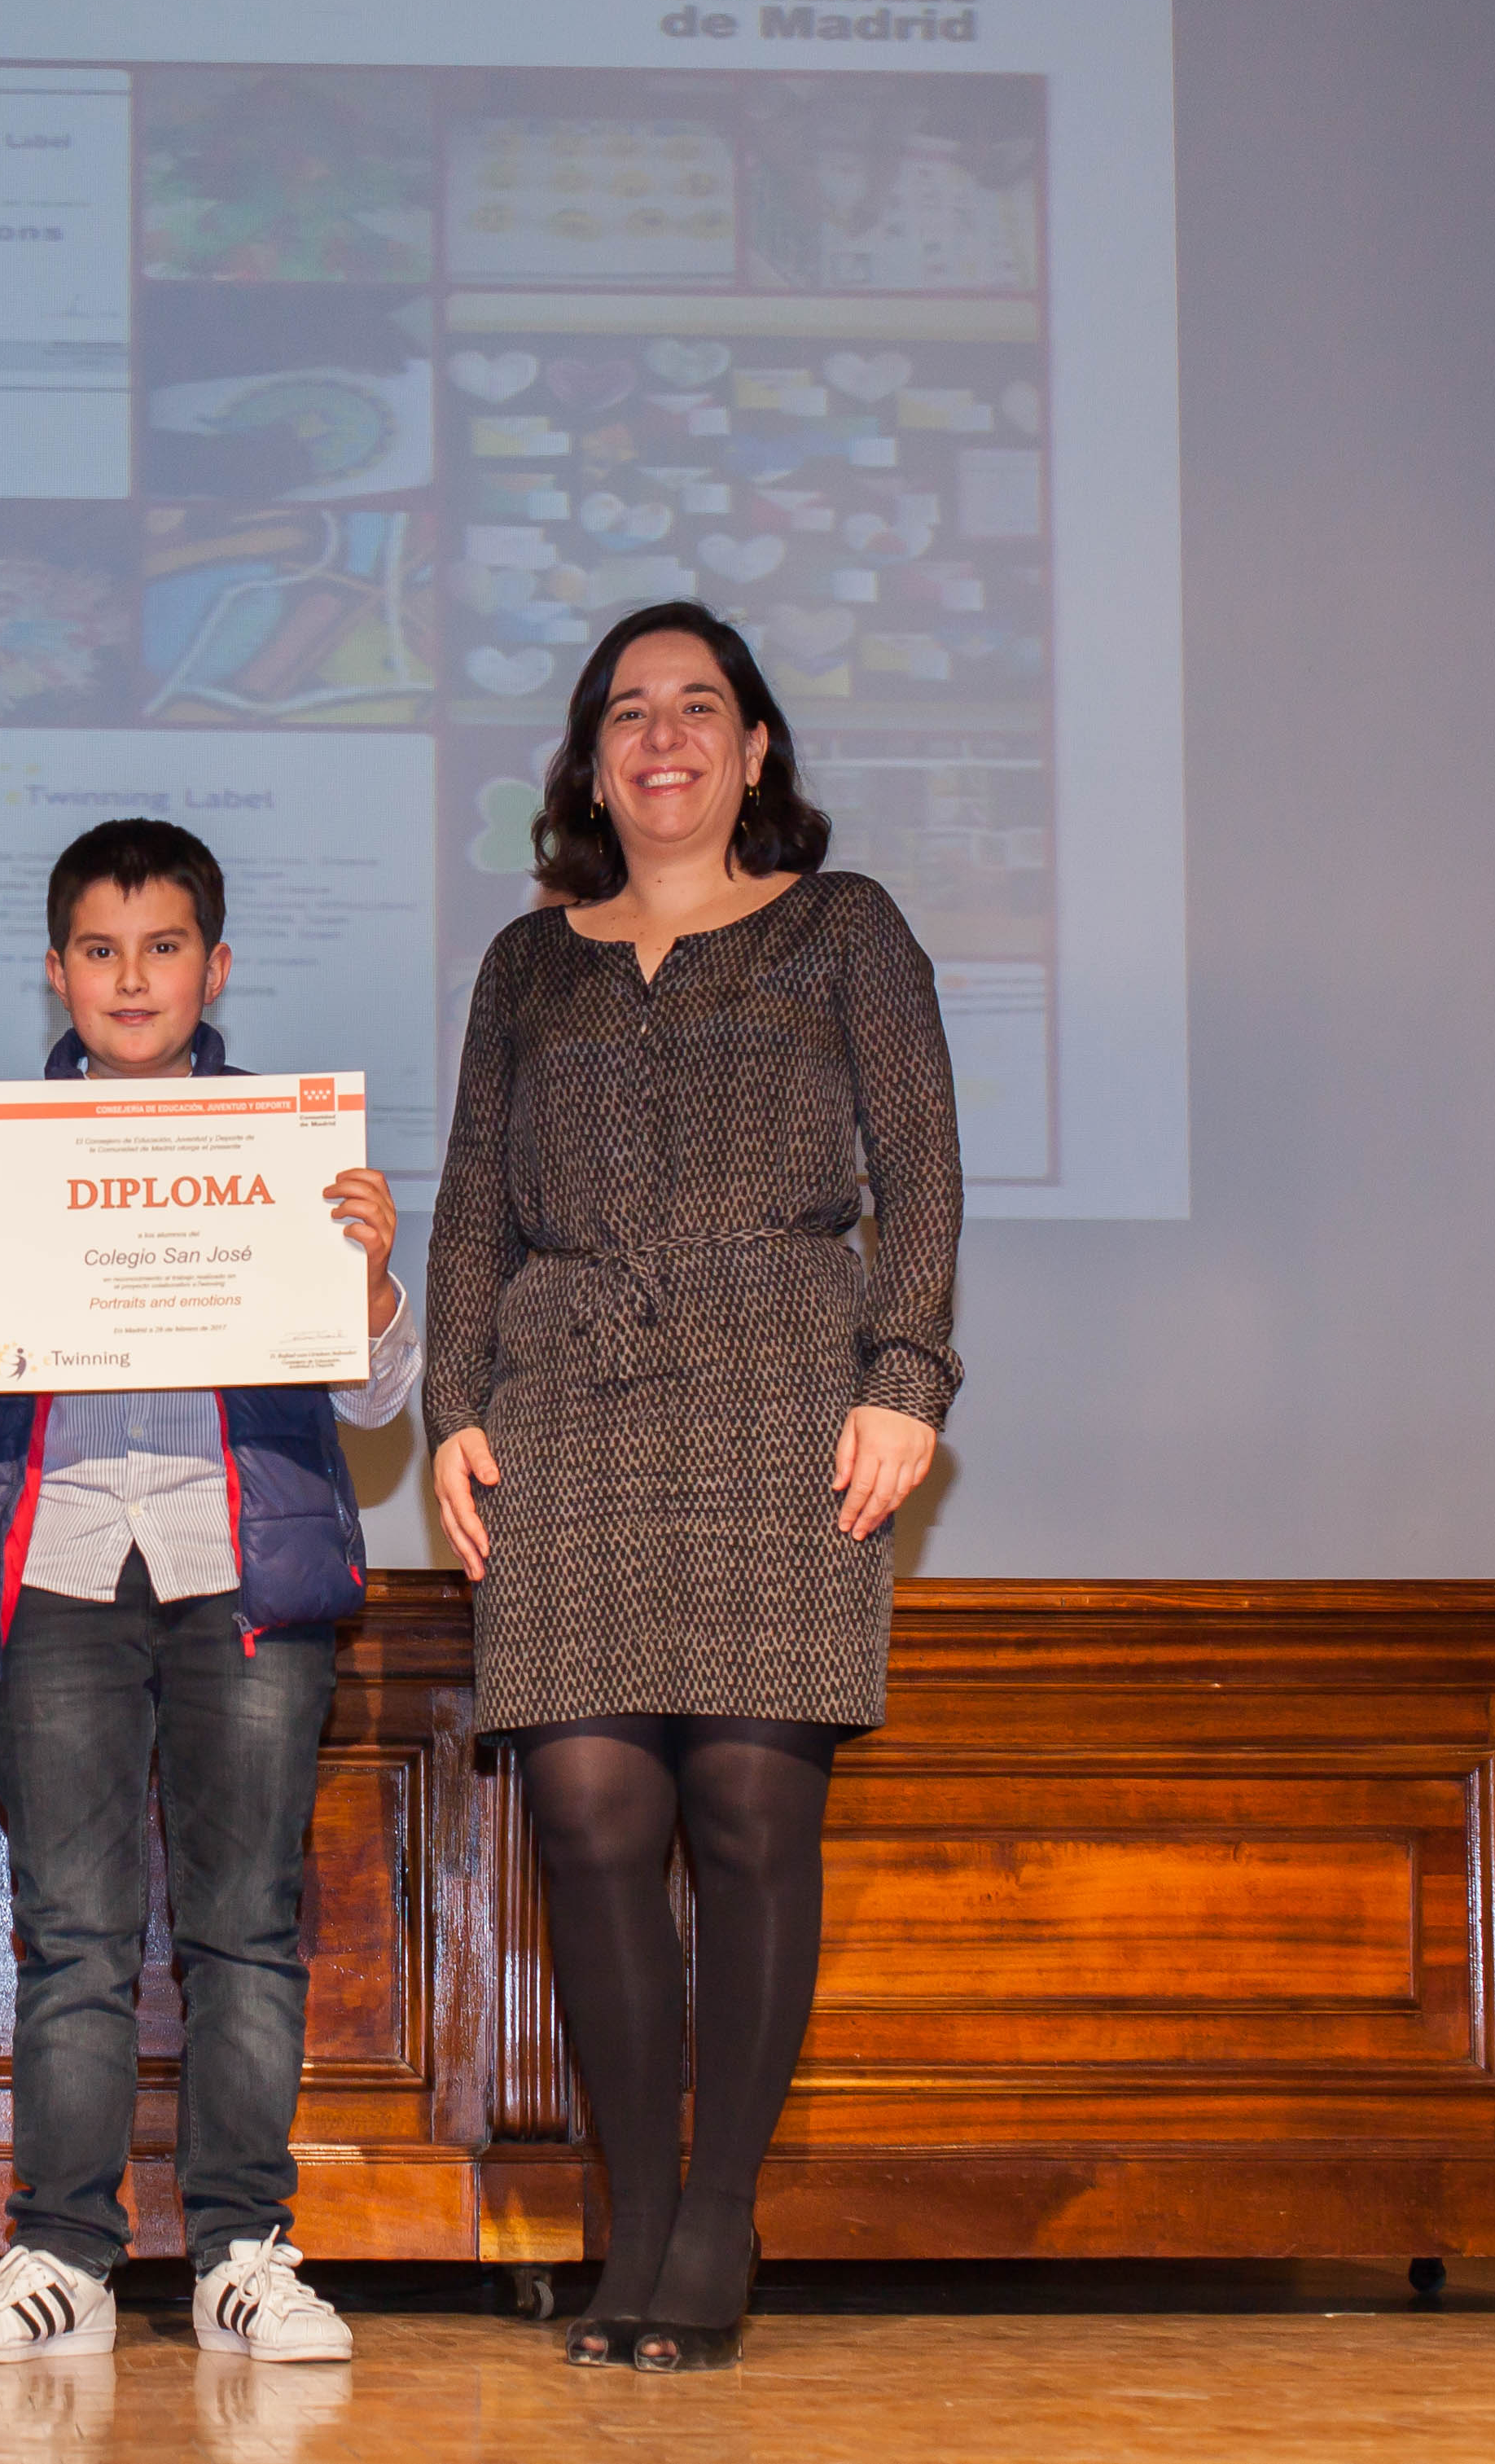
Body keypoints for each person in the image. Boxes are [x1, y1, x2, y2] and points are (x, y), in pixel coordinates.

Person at [424, 600, 960, 2372]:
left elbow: (923, 1171)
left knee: (745, 1811)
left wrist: (905, 1381)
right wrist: (449, 1408)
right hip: (567, 1407)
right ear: (590, 763)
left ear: (752, 749)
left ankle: (717, 2213)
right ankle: (635, 2222)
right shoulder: (528, 964)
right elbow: (470, 1204)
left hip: (783, 1392)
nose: (662, 736)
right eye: (628, 712)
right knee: (587, 1816)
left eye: (697, 706)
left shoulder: (841, 926)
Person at [0, 820, 419, 2368]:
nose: (132, 978)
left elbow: (377, 1399)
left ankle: (242, 2252)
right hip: (56, 1557)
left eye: (164, 947)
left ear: (216, 966)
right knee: (73, 1933)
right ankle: (62, 2254)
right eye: (102, 950)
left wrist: (371, 1281)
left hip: (236, 1564)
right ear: (56, 970)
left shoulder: (292, 1157)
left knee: (246, 1927)